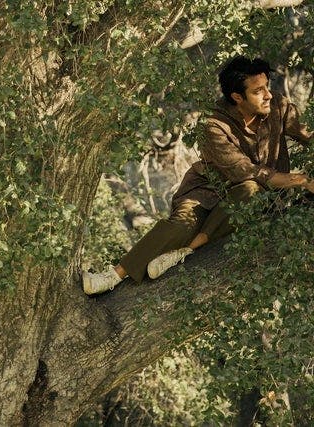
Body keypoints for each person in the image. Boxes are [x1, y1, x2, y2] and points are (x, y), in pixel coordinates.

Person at [83, 56, 314, 295]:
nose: (267, 95)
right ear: (237, 97)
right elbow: (245, 170)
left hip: (249, 196)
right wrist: (301, 180)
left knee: (250, 191)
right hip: (206, 191)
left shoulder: (278, 106)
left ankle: (186, 250)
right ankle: (112, 276)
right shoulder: (213, 124)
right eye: (258, 91)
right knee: (179, 226)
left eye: (267, 86)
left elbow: (308, 136)